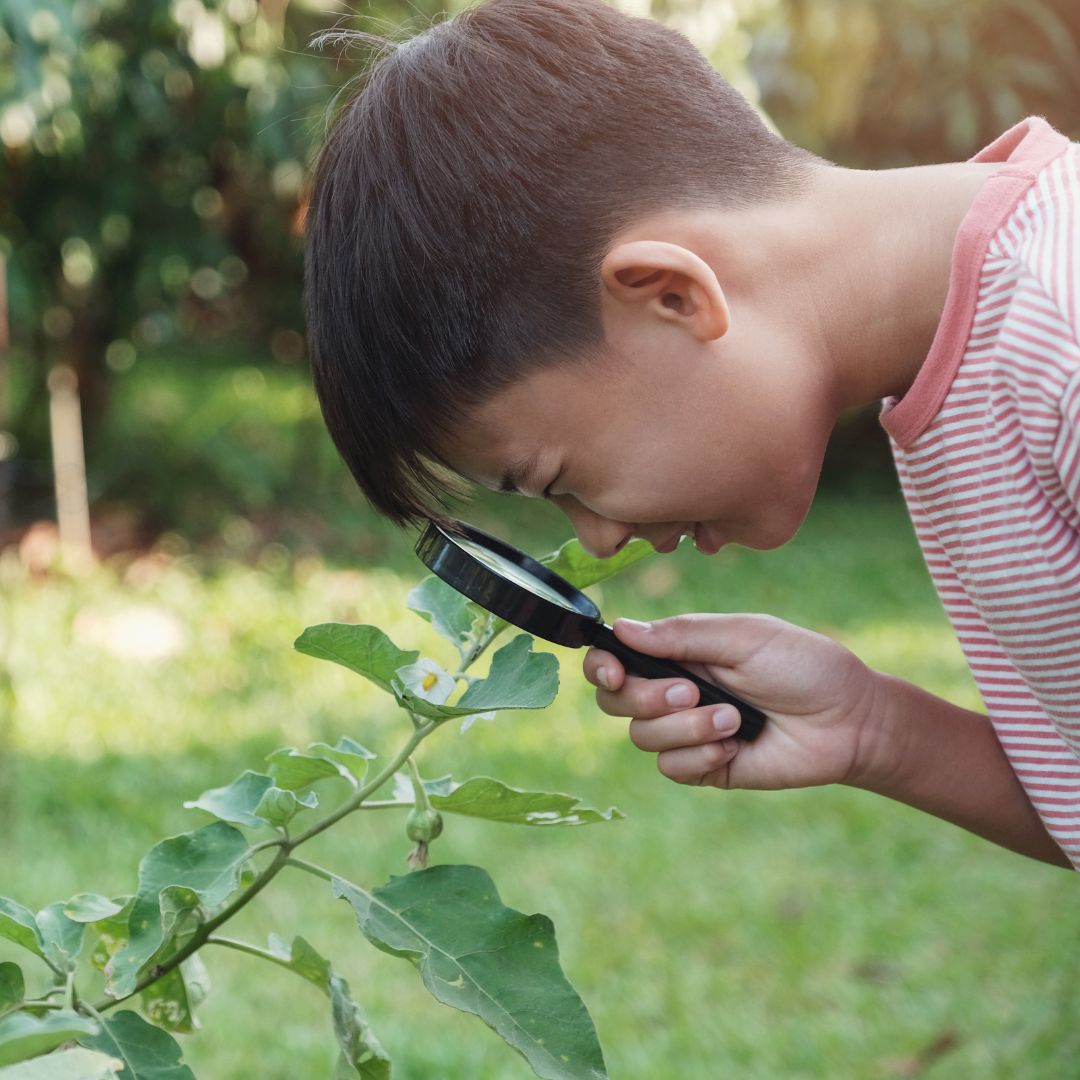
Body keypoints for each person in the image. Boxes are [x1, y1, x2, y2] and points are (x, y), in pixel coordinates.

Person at [303, 0, 1080, 870]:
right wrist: (876, 728)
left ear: (671, 296)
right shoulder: (973, 362)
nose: (597, 535)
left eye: (558, 477)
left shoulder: (1063, 337)